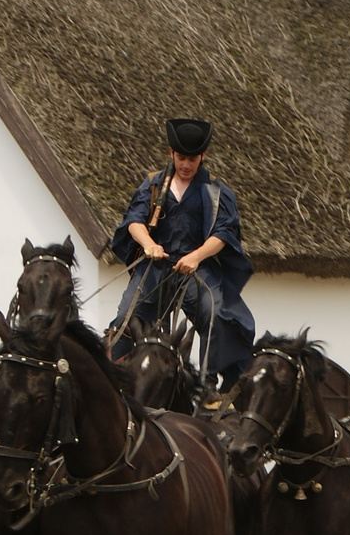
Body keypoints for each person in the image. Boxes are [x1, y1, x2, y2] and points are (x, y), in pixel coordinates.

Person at [108, 118, 256, 393]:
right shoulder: (153, 185)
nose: (186, 165)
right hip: (156, 265)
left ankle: (208, 385)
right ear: (171, 153)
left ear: (203, 156)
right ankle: (110, 377)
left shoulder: (215, 191)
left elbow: (224, 233)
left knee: (216, 312)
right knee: (126, 318)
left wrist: (197, 256)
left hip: (195, 268)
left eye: (192, 159)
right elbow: (134, 221)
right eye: (181, 158)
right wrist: (149, 243)